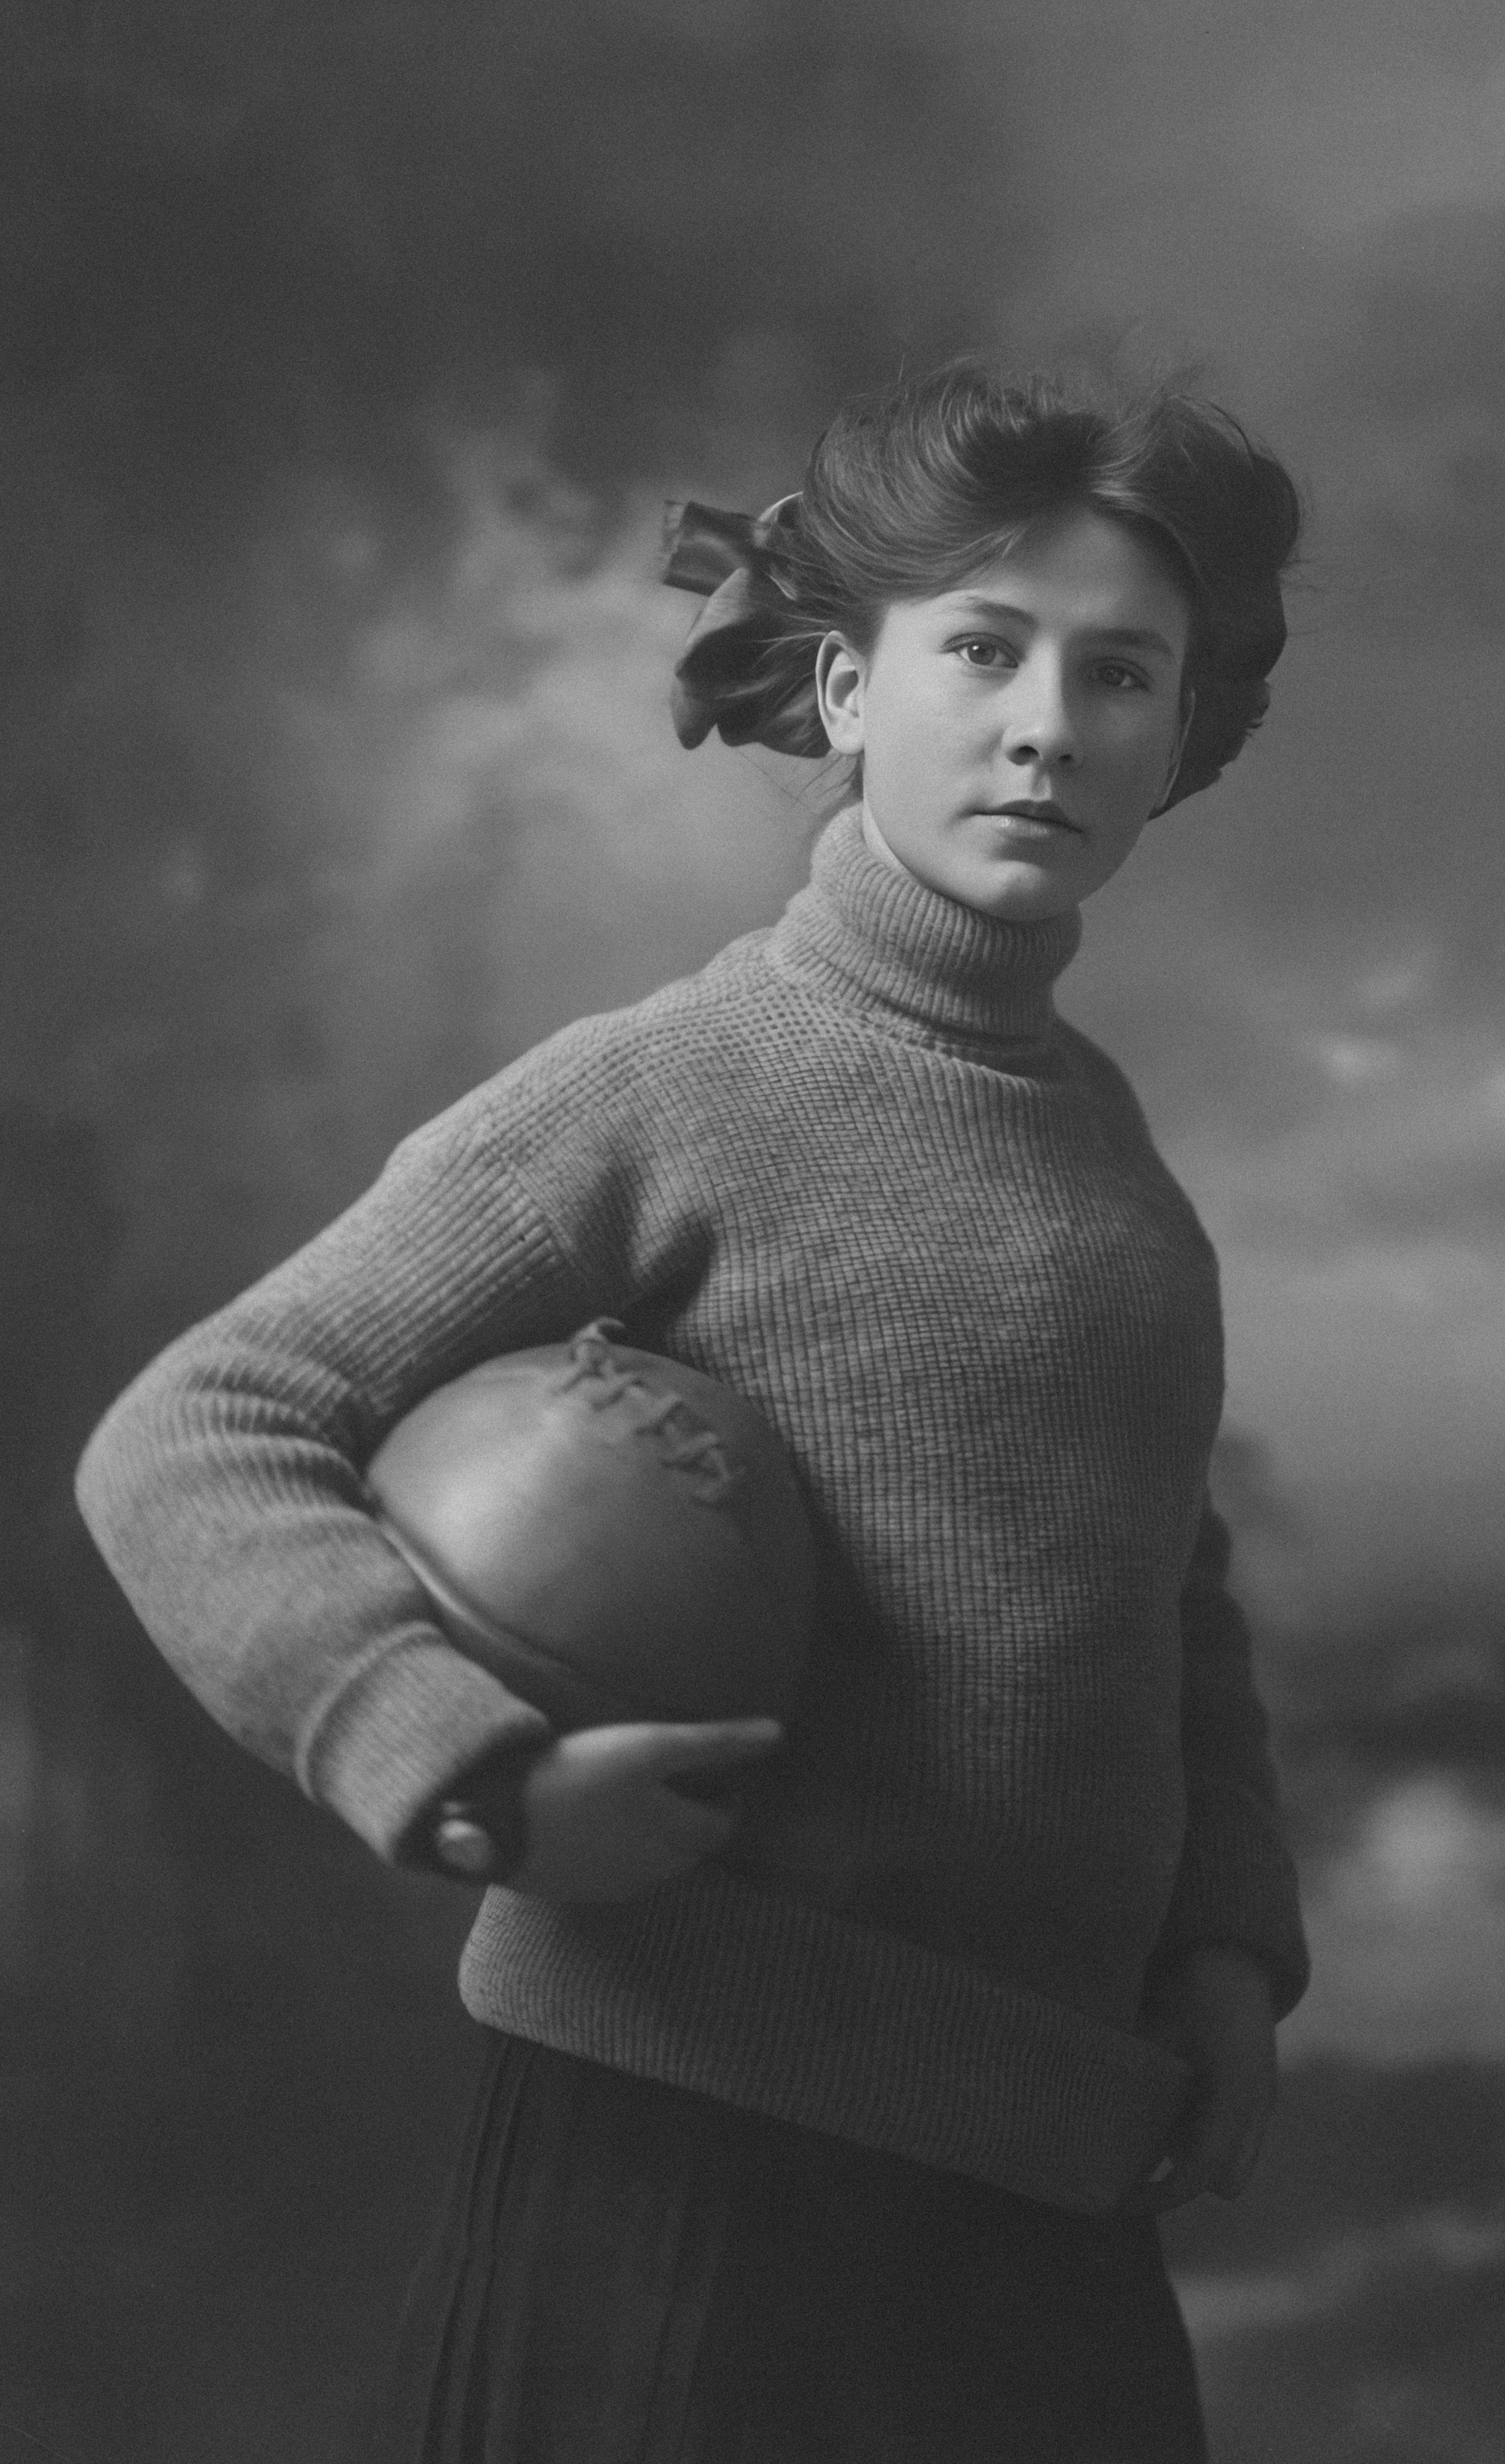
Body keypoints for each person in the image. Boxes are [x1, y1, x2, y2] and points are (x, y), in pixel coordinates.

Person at [76, 361, 1310, 2463]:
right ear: (843, 693)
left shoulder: (1124, 1177)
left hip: (1048, 2184)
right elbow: (194, 1428)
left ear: (1179, 737)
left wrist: (1223, 1950)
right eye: (985, 653)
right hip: (680, 2161)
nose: (1047, 725)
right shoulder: (673, 1083)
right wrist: (448, 1760)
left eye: (1121, 675)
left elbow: (1160, 1600)